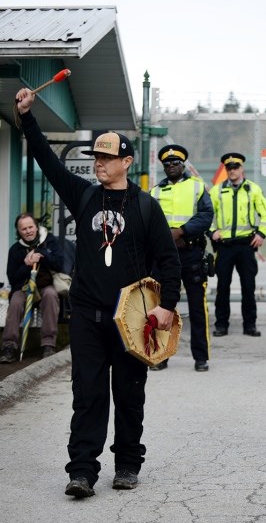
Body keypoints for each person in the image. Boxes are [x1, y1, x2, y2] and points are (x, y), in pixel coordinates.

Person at [14, 88, 181, 498]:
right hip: (88, 316)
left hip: (133, 321)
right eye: (96, 157)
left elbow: (168, 260)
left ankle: (126, 464)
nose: (99, 164)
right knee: (86, 396)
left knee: (128, 395)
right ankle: (83, 471)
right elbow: (48, 162)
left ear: (126, 161)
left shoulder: (145, 207)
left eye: (107, 158)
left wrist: (167, 308)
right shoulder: (84, 195)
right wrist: (27, 119)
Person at [150, 144, 214, 372]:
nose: (171, 167)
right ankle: (161, 355)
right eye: (167, 164)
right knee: (163, 307)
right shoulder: (155, 191)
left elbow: (206, 215)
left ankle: (201, 358)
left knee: (198, 308)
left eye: (175, 163)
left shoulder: (197, 187)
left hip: (191, 253)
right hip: (165, 257)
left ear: (183, 164)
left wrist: (181, 231)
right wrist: (166, 237)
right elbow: (149, 221)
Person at [209, 152, 266, 338]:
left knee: (248, 286)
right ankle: (221, 325)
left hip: (246, 246)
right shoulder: (217, 191)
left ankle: (250, 325)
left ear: (241, 168)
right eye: (228, 168)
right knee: (223, 287)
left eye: (235, 167)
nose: (232, 171)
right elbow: (206, 215)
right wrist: (212, 231)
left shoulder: (252, 189)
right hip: (225, 246)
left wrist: (261, 233)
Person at [0, 213, 64, 362]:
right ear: (19, 231)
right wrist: (27, 265)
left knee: (51, 296)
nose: (28, 231)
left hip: (45, 285)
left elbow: (59, 264)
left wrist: (41, 253)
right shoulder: (15, 249)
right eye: (24, 229)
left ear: (36, 226)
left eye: (30, 227)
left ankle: (48, 345)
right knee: (15, 302)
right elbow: (13, 278)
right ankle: (9, 347)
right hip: (23, 288)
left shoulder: (49, 241)